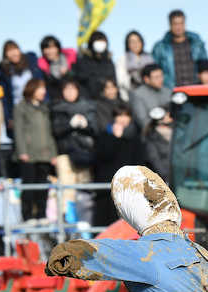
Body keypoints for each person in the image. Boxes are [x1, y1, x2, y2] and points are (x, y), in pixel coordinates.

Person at [51, 80, 98, 227]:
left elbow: (96, 130)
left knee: (85, 190)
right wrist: (69, 125)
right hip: (65, 154)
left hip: (85, 154)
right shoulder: (57, 109)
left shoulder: (89, 107)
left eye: (73, 89)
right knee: (67, 191)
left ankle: (86, 224)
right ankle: (69, 224)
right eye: (66, 89)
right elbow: (55, 131)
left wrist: (86, 125)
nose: (70, 92)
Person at [13, 79, 57, 221]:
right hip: (29, 154)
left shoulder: (44, 108)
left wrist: (53, 153)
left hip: (44, 154)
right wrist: (22, 151)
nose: (43, 92)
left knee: (43, 187)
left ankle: (42, 214)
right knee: (29, 187)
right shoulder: (21, 107)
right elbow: (18, 131)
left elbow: (49, 132)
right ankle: (27, 216)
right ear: (32, 89)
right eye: (40, 88)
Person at [93, 106, 142, 227]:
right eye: (119, 115)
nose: (122, 119)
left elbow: (139, 161)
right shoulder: (105, 135)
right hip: (107, 188)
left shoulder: (136, 137)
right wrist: (115, 138)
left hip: (128, 188)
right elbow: (103, 156)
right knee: (106, 224)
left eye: (126, 115)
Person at [0, 40, 43, 139]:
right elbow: (5, 98)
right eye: (9, 51)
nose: (13, 53)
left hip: (36, 105)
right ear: (6, 55)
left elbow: (41, 83)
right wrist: (8, 118)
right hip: (18, 109)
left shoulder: (31, 62)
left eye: (15, 49)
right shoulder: (4, 72)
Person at [152, 9, 208, 88]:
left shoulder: (197, 43)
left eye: (181, 23)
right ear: (170, 25)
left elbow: (205, 67)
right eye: (175, 24)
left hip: (196, 88)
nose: (178, 27)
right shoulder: (160, 47)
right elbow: (155, 71)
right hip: (172, 90)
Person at [73, 30, 117, 101]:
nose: (100, 44)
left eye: (102, 41)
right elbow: (81, 80)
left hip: (107, 100)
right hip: (88, 100)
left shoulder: (109, 61)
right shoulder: (83, 60)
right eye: (97, 41)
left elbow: (113, 81)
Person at [36, 35, 77, 102]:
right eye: (46, 48)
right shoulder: (42, 68)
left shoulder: (70, 60)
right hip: (56, 103)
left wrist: (68, 73)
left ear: (58, 48)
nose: (49, 51)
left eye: (52, 47)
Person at [130, 64, 172, 129]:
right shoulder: (138, 94)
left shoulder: (167, 91)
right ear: (146, 79)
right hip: (150, 131)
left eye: (161, 76)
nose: (161, 79)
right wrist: (161, 122)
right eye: (156, 77)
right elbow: (142, 121)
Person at [116, 30, 153, 100]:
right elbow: (120, 80)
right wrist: (133, 80)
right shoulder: (123, 59)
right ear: (127, 44)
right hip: (130, 96)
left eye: (138, 41)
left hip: (149, 95)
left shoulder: (149, 58)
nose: (135, 44)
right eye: (132, 42)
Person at [142, 108, 173, 183]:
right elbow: (155, 159)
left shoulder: (178, 132)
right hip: (165, 179)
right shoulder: (152, 137)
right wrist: (167, 177)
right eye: (168, 114)